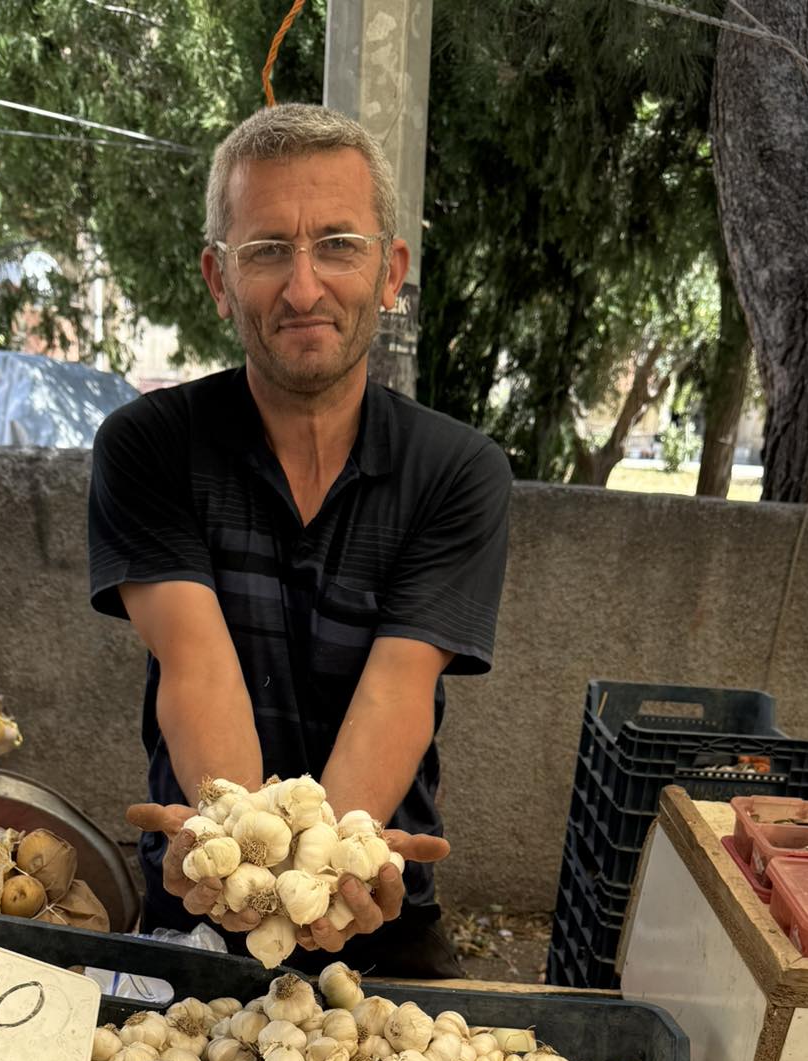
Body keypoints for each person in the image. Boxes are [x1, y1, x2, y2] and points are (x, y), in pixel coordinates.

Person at [87, 102, 512, 979]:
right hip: (202, 894)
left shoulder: (457, 471)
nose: (305, 287)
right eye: (267, 250)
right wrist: (253, 873)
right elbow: (194, 664)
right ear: (217, 278)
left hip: (376, 904)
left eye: (339, 245)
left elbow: (400, 686)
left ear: (391, 271)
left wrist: (321, 877)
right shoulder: (149, 447)